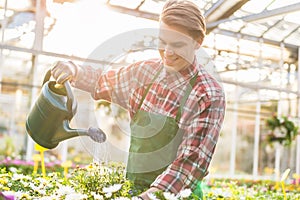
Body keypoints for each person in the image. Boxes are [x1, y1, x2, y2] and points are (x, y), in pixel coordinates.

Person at [51, 0, 226, 199]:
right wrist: (74, 70)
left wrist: (148, 197)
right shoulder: (145, 72)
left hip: (177, 195)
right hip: (133, 189)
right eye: (163, 41)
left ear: (197, 42)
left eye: (177, 44)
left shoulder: (208, 95)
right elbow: (103, 82)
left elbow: (190, 164)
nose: (167, 52)